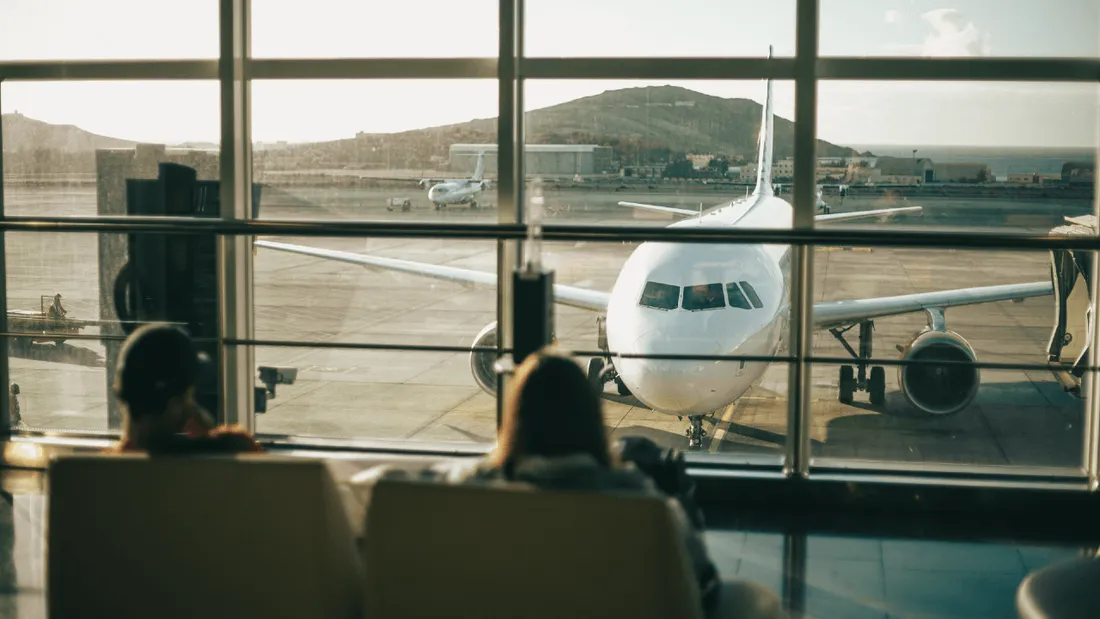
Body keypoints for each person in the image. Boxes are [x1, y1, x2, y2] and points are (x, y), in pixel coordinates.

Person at [434, 349, 721, 610]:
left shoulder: (467, 490)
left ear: (514, 419)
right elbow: (699, 582)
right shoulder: (645, 504)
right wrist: (681, 504)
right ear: (591, 418)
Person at [105, 324, 262, 455]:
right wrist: (209, 431)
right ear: (180, 402)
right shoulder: (237, 449)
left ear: (120, 394)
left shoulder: (101, 472)